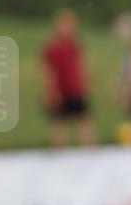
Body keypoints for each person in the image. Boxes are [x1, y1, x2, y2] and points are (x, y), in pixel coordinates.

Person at [41, 9, 96, 146]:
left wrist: (86, 84)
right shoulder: (53, 46)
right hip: (61, 90)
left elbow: (82, 66)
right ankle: (60, 156)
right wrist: (51, 91)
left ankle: (90, 154)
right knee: (59, 122)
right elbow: (48, 71)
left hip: (76, 89)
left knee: (83, 120)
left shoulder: (75, 45)